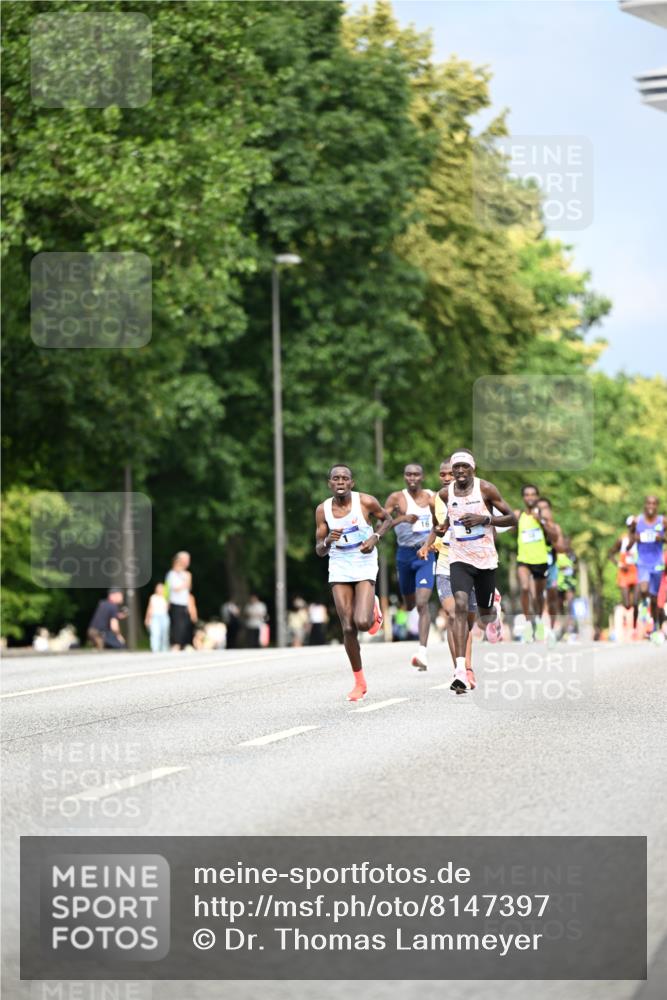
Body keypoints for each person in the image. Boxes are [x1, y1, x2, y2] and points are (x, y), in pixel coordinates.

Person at [432, 450, 516, 692]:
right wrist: (442, 528)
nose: (459, 471)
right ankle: (460, 670)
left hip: (485, 560)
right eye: (456, 467)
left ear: (473, 469)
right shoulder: (445, 494)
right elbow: (449, 517)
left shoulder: (486, 489)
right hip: (459, 559)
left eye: (464, 467)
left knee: (484, 615)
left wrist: (485, 520)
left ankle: (494, 612)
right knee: (458, 607)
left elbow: (512, 518)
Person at [315, 464, 392, 701]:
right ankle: (359, 682)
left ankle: (373, 608)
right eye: (335, 478)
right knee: (347, 627)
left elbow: (388, 519)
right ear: (329, 484)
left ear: (352, 483)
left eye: (344, 478)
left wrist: (375, 537)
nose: (340, 482)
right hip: (339, 563)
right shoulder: (323, 510)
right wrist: (327, 541)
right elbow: (319, 550)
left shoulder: (365, 502)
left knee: (362, 622)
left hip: (363, 560)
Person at [419, 459, 476, 686]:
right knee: (454, 616)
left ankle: (494, 599)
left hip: (471, 562)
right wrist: (427, 545)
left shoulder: (474, 495)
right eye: (442, 474)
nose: (445, 477)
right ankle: (461, 670)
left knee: (467, 622)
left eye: (449, 473)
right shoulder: (438, 499)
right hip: (445, 563)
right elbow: (437, 527)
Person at [384, 463, 435, 671]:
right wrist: (401, 519)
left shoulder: (432, 497)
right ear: (404, 477)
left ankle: (422, 652)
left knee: (422, 604)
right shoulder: (396, 498)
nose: (412, 477)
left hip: (426, 553)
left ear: (422, 477)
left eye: (416, 474)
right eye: (408, 474)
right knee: (410, 603)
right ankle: (410, 606)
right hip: (404, 554)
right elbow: (382, 524)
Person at [514, 485, 560, 642]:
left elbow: (554, 536)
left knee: (539, 596)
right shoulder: (518, 514)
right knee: (525, 588)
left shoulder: (544, 514)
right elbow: (509, 529)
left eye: (533, 494)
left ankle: (539, 621)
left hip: (540, 560)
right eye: (527, 495)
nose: (530, 497)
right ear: (523, 498)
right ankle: (527, 623)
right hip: (523, 559)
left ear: (538, 496)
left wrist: (541, 521)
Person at [628, 496, 665, 634]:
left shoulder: (663, 521)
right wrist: (633, 533)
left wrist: (660, 538)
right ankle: (644, 605)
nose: (651, 506)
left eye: (654, 503)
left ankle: (655, 624)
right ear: (645, 505)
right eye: (648, 503)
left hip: (657, 563)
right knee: (644, 589)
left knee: (654, 598)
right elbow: (630, 543)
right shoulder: (638, 521)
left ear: (657, 506)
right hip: (642, 561)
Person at [536, 497, 566, 639]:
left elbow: (561, 549)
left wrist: (549, 531)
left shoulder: (555, 527)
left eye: (545, 509)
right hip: (535, 565)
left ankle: (552, 628)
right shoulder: (532, 525)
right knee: (535, 595)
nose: (543, 512)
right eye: (540, 509)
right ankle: (537, 625)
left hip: (551, 566)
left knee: (552, 598)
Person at [608, 517, 639, 634]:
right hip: (624, 573)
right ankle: (626, 619)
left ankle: (634, 627)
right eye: (632, 525)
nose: (634, 527)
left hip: (636, 572)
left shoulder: (640, 539)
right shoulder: (622, 539)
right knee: (626, 604)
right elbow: (610, 554)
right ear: (628, 526)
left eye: (636, 525)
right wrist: (620, 564)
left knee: (636, 602)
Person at [166, 551, 192, 651]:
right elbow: (172, 588)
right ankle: (175, 644)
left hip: (184, 602)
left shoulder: (186, 574)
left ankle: (183, 644)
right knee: (176, 624)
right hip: (175, 602)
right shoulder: (171, 574)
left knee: (185, 624)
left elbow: (188, 588)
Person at [144, 582, 170, 653]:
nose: (160, 589)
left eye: (161, 588)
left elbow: (168, 608)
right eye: (158, 588)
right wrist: (147, 618)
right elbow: (149, 608)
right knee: (155, 633)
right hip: (155, 617)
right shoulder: (153, 597)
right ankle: (155, 649)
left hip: (164, 616)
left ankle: (164, 649)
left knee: (164, 634)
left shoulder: (166, 597)